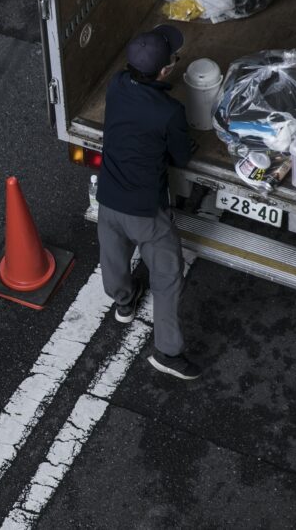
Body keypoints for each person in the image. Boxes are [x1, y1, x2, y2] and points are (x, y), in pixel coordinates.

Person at [96, 24, 201, 381]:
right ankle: (168, 353)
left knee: (113, 253)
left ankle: (123, 302)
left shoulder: (116, 85)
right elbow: (181, 157)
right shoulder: (168, 111)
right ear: (165, 70)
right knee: (168, 276)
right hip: (145, 212)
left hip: (108, 198)